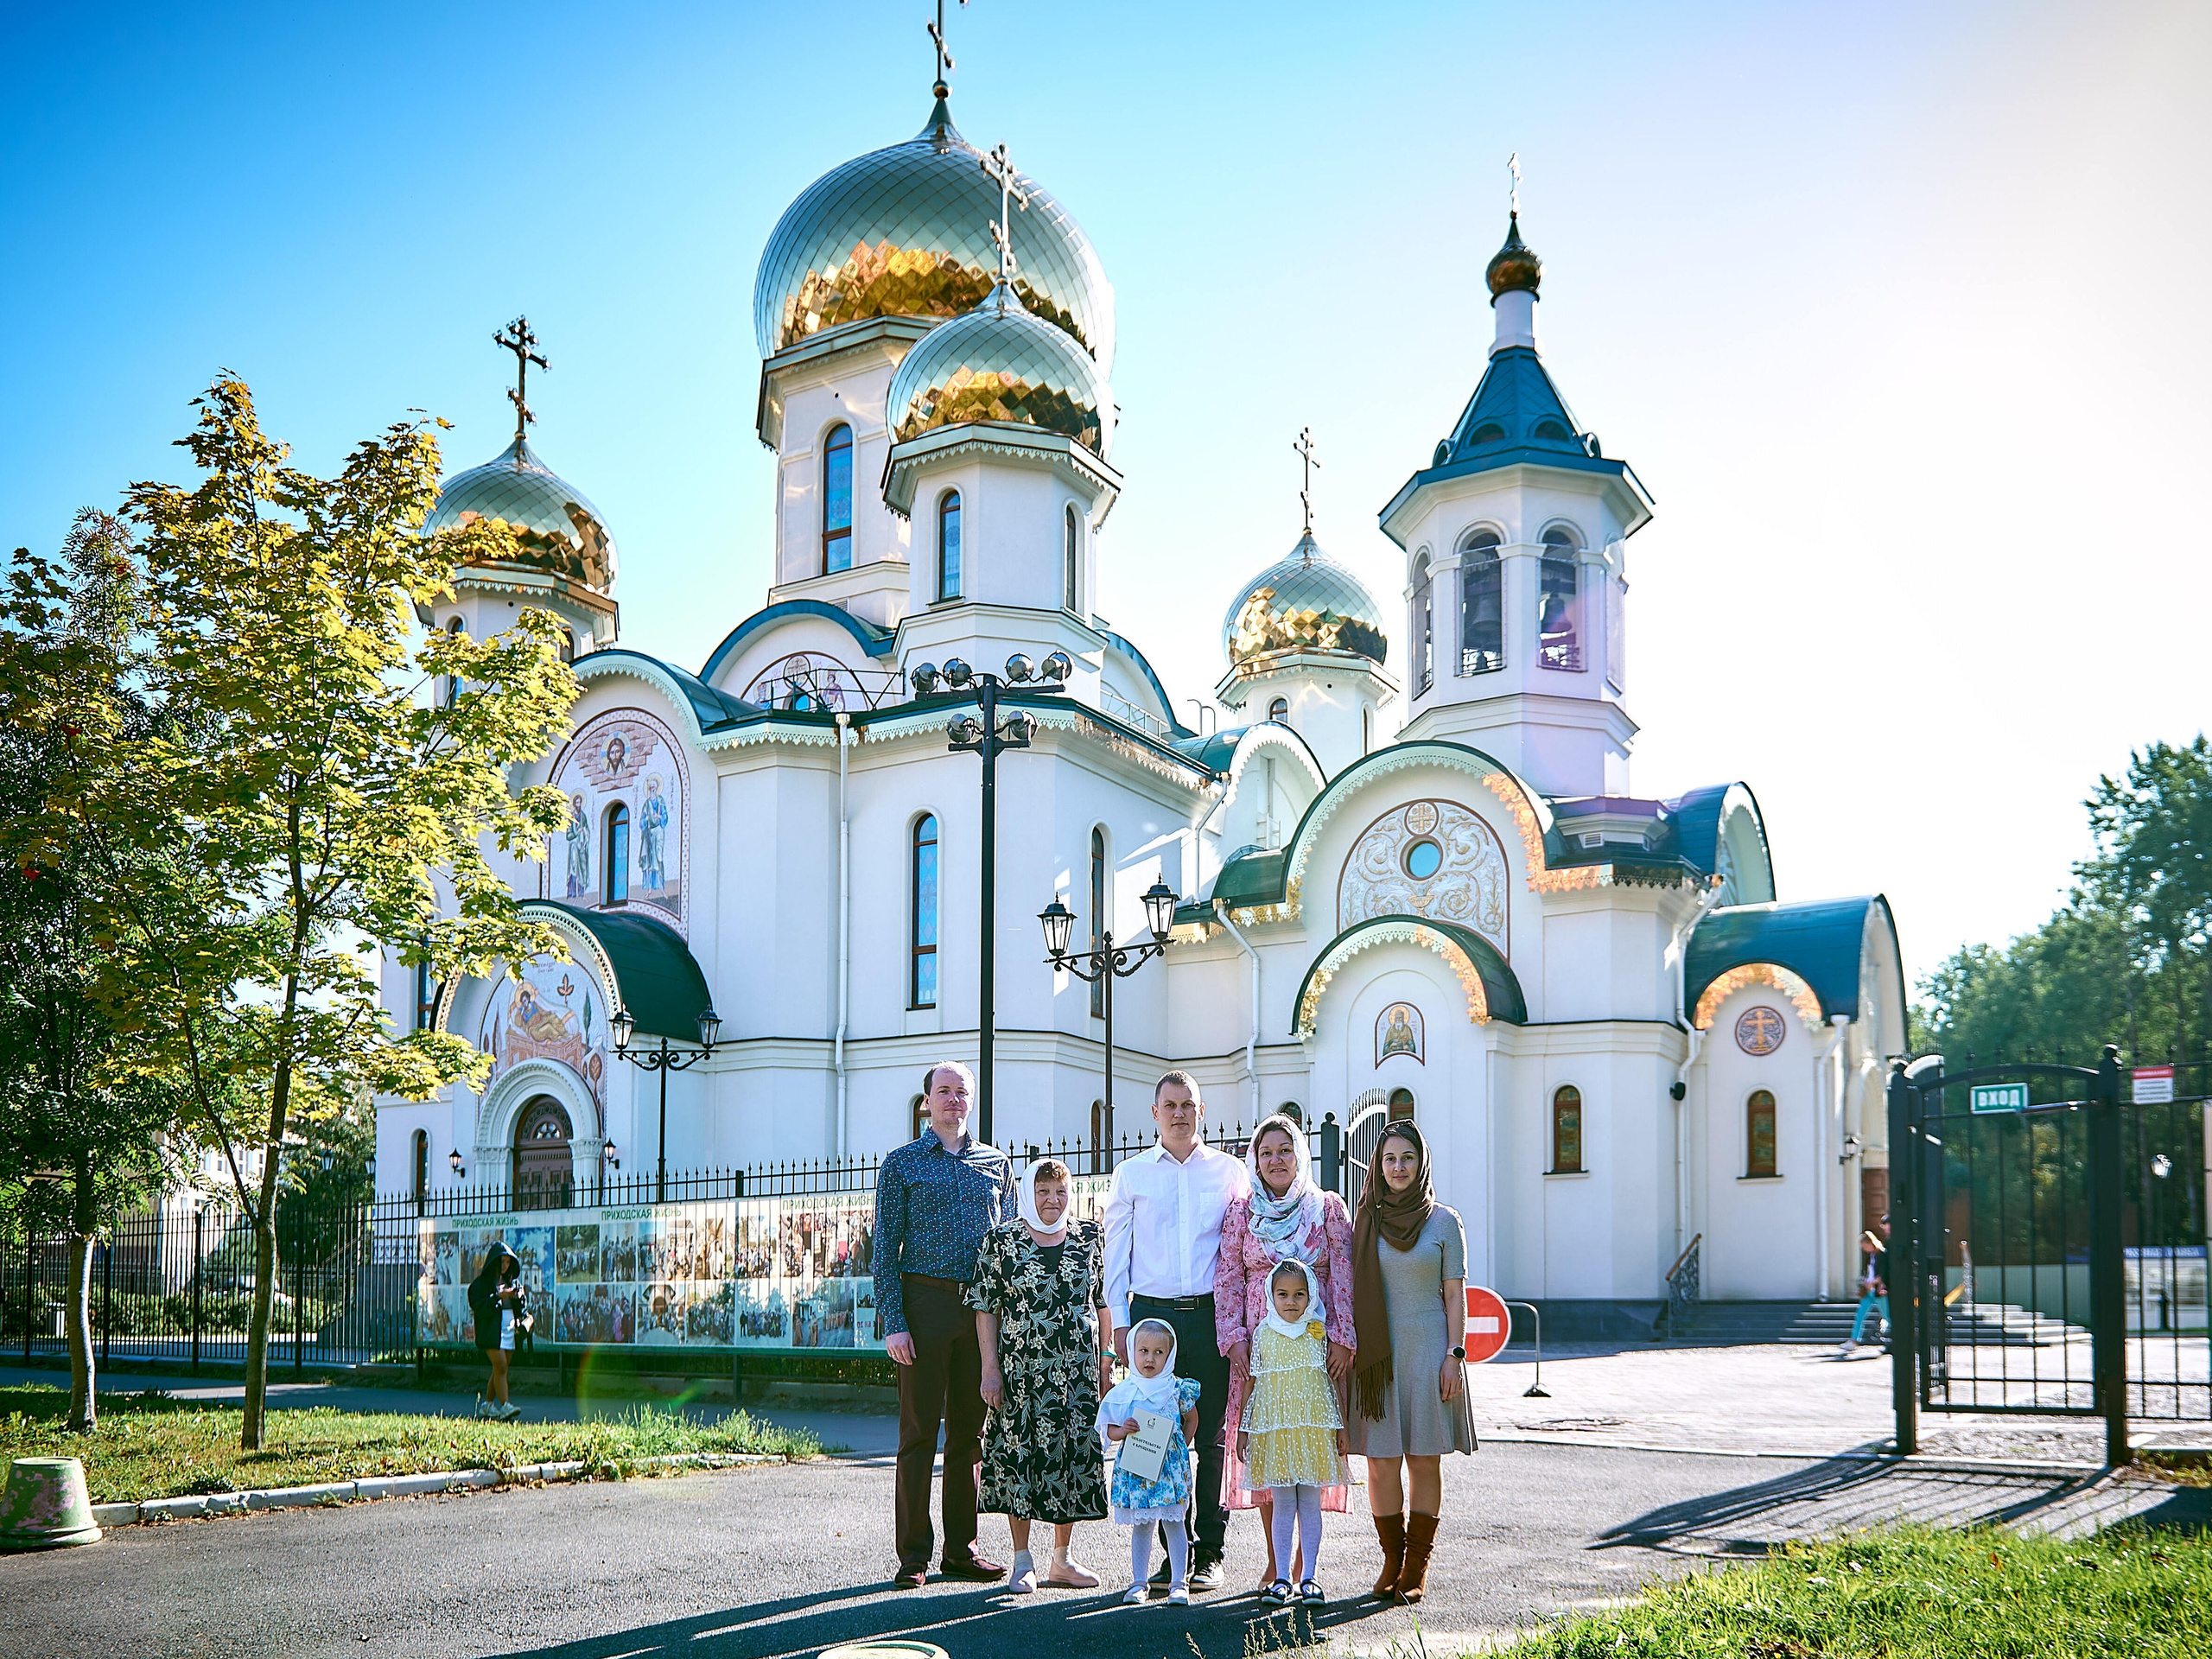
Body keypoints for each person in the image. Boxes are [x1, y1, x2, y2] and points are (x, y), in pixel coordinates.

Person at [872, 1059, 1016, 1589]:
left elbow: (1011, 1248)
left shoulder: (996, 1166)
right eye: (944, 1092)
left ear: (971, 1101)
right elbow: (885, 1247)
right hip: (923, 1307)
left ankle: (961, 1549)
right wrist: (894, 1321)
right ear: (926, 1101)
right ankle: (912, 1558)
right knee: (916, 1438)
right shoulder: (902, 1164)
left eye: (962, 1092)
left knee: (969, 1439)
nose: (954, 1100)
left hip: (979, 1314)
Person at [1102, 1070, 1248, 1591]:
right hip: (1152, 1319)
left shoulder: (1231, 1173)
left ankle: (1208, 1551)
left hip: (1209, 1317)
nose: (1180, 1113)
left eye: (1189, 1104)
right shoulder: (1133, 1174)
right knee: (1152, 1433)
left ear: (1201, 1111)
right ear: (1155, 1113)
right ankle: (1168, 1553)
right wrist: (1120, 1322)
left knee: (1208, 1437)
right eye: (1171, 1105)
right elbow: (1115, 1253)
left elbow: (1243, 1253)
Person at [1216, 1111, 1354, 1589]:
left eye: (1285, 1150)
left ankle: (1305, 1564)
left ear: (1300, 1154)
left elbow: (1343, 1276)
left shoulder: (1326, 1208)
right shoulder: (1242, 1210)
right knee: (1270, 1452)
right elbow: (1229, 1276)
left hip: (1313, 1353)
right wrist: (1232, 1336)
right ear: (1255, 1159)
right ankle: (1277, 1562)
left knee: (1309, 1452)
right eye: (1266, 1152)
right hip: (1260, 1353)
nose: (1275, 1160)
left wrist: (1342, 1337)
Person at [1346, 1121, 1474, 1605]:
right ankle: (1391, 1562)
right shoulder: (1365, 1220)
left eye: (1407, 1158)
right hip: (1377, 1360)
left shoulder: (1444, 1221)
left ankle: (1417, 1565)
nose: (1398, 1167)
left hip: (1429, 1355)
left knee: (1423, 1460)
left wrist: (1453, 1356)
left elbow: (1455, 1296)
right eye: (1389, 1159)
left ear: (1421, 1163)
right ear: (1377, 1165)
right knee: (1380, 1464)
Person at [969, 1158, 1111, 1593]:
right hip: (1020, 1375)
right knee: (1021, 1459)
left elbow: (1102, 1302)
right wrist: (989, 1368)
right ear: (1029, 1193)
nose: (1052, 1200)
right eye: (1043, 1191)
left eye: (1060, 1192)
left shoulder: (1090, 1236)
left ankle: (1062, 1560)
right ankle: (1022, 1560)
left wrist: (1106, 1362)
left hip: (1076, 1377)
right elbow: (985, 1307)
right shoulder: (1003, 1241)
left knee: (1070, 1461)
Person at [1237, 1258, 1349, 1607]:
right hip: (1277, 1431)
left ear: (1311, 1295)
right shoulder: (1263, 1334)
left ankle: (1310, 1577)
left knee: (1310, 1504)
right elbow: (1251, 1383)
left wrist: (1340, 1426)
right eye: (1283, 1294)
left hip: (1313, 1430)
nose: (1291, 1302)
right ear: (1271, 1296)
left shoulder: (1318, 1332)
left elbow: (1332, 1384)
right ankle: (1282, 1577)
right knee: (1283, 1503)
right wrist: (1244, 1428)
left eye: (1300, 1294)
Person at [1098, 1317, 1202, 1605]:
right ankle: (1138, 1583)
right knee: (1142, 1525)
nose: (1150, 1358)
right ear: (1133, 1352)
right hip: (1138, 1469)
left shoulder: (1177, 1388)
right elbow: (1110, 1430)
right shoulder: (1127, 1390)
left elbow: (1191, 1418)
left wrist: (1181, 1444)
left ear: (1169, 1356)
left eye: (1159, 1353)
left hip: (1169, 1469)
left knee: (1175, 1523)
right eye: (1143, 1351)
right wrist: (1124, 1430)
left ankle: (1179, 1583)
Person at [467, 1242, 524, 1421]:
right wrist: (498, 1297)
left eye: (508, 1262)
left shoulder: (512, 1281)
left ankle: (487, 1405)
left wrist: (519, 1297)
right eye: (502, 1262)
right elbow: (478, 1305)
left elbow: (521, 1307)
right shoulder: (481, 1284)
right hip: (491, 1331)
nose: (505, 1267)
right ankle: (506, 1405)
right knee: (501, 1366)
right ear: (493, 1262)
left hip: (509, 1330)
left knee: (499, 1369)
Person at [1841, 1215, 1891, 1357]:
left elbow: (1884, 1272)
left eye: (1865, 1246)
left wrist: (1875, 1281)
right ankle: (1854, 1340)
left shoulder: (1881, 1254)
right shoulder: (1871, 1256)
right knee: (1860, 1314)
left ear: (1871, 1243)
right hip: (1870, 1291)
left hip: (1878, 1291)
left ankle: (1893, 1339)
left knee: (1887, 1316)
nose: (1864, 1249)